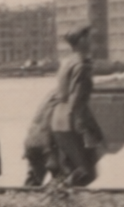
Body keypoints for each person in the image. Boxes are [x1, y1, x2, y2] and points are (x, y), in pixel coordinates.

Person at [50, 25, 103, 187]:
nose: (91, 41)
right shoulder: (82, 65)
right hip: (72, 120)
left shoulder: (66, 62)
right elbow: (77, 98)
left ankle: (60, 194)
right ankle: (59, 193)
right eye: (87, 37)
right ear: (80, 41)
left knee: (72, 169)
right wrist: (86, 129)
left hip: (58, 120)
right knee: (88, 172)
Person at [23, 90, 61, 186]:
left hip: (31, 142)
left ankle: (29, 192)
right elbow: (46, 129)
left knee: (33, 178)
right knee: (60, 176)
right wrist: (48, 151)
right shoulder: (56, 107)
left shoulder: (44, 105)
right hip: (45, 145)